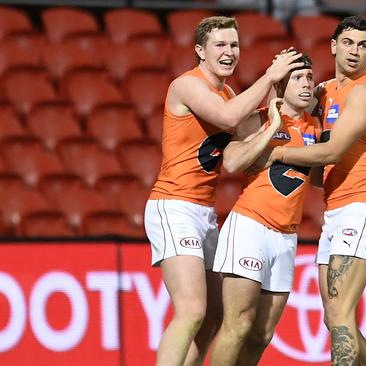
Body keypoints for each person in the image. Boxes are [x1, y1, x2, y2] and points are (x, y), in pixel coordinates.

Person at [143, 15, 303, 366]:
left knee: (214, 317)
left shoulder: (229, 92)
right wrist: (269, 77)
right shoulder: (186, 85)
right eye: (220, 45)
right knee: (192, 310)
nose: (229, 51)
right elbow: (229, 118)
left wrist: (279, 115)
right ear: (200, 50)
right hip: (174, 206)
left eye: (234, 45)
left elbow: (238, 156)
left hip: (205, 211)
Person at [261, 15, 366, 366]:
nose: (354, 51)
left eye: (363, 45)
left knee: (342, 314)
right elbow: (320, 173)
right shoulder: (324, 92)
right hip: (336, 209)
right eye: (348, 42)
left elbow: (332, 152)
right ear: (333, 46)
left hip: (362, 206)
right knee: (333, 319)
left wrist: (278, 152)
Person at [209, 55, 321, 366]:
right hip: (250, 227)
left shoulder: (316, 126)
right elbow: (231, 162)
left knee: (262, 335)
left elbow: (320, 181)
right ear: (280, 84)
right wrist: (272, 127)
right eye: (298, 78)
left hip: (286, 238)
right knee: (238, 324)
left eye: (310, 77)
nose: (307, 83)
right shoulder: (257, 119)